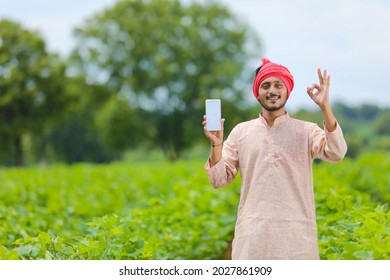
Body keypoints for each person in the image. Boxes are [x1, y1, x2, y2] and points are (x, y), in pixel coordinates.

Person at [202, 58, 347, 260]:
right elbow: (218, 180)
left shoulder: (306, 131)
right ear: (257, 93)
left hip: (296, 239)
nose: (272, 90)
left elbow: (336, 152)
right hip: (253, 238)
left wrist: (325, 107)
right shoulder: (241, 132)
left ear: (287, 90)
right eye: (265, 85)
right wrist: (216, 144)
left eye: (279, 85)